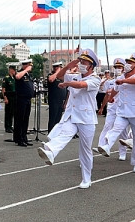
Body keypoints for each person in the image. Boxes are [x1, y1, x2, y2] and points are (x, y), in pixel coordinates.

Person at [37, 50, 101, 188]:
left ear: (91, 65)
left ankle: (86, 179)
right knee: (64, 134)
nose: (81, 64)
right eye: (81, 61)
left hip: (86, 118)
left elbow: (82, 86)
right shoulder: (75, 76)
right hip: (72, 115)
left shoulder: (96, 79)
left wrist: (67, 84)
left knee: (85, 150)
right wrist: (67, 67)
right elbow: (58, 76)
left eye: (84, 62)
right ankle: (51, 152)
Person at [97, 53, 135, 173]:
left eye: (131, 63)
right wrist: (110, 98)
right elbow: (115, 89)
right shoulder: (120, 78)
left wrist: (123, 80)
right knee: (115, 129)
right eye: (127, 62)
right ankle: (107, 146)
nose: (128, 65)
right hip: (122, 111)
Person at [13, 59, 34, 147]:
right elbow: (17, 77)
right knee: (20, 119)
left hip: (27, 99)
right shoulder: (21, 73)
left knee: (26, 119)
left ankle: (24, 137)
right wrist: (25, 70)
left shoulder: (28, 75)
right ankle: (19, 138)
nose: (31, 67)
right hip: (21, 99)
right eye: (30, 65)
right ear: (25, 65)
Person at [47, 61, 66, 132]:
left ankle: (56, 133)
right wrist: (57, 71)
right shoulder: (51, 75)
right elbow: (51, 79)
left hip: (61, 100)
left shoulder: (60, 76)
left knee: (58, 119)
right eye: (59, 67)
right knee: (53, 118)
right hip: (53, 100)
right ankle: (51, 133)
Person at [1, 63, 17, 133]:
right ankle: (7, 127)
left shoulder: (14, 78)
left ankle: (10, 126)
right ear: (10, 70)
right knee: (8, 113)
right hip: (8, 97)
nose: (14, 71)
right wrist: (5, 98)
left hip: (14, 97)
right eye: (13, 70)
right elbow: (3, 89)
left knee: (12, 112)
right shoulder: (6, 78)